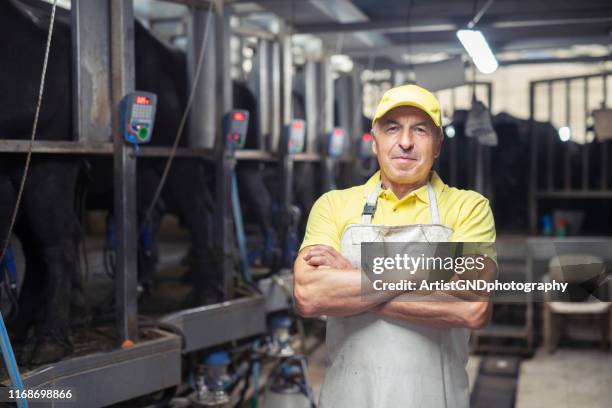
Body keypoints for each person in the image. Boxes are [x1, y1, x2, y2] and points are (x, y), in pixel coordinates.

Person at [293, 84, 497, 407]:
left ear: (438, 143)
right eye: (392, 129)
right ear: (374, 141)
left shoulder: (468, 207)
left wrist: (353, 279)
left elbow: (474, 307)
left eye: (420, 130)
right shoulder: (333, 205)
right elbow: (308, 295)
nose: (405, 142)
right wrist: (427, 269)